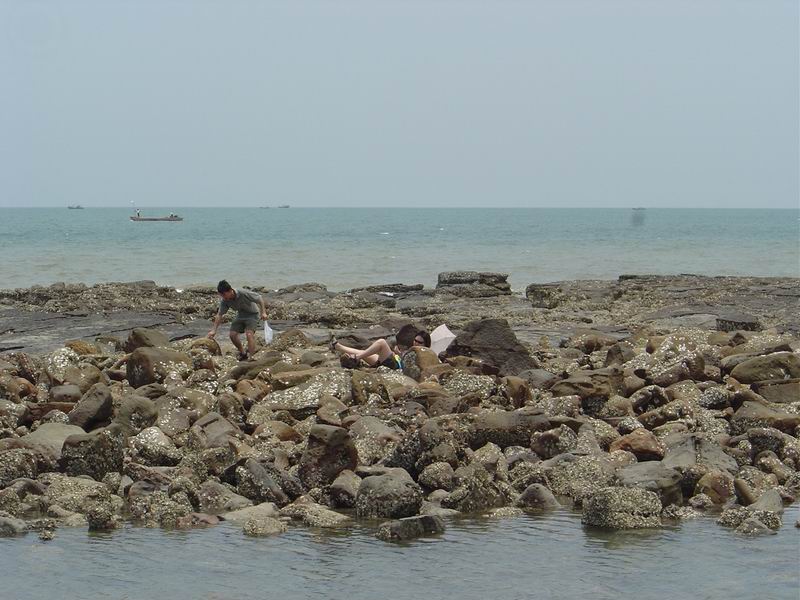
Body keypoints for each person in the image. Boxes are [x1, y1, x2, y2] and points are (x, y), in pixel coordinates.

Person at [207, 280, 268, 360]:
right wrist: (214, 330)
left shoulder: (243, 293)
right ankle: (243, 353)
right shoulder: (225, 300)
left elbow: (259, 298)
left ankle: (251, 357)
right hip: (241, 315)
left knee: (249, 334)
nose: (223, 297)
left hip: (253, 314)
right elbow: (220, 314)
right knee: (232, 335)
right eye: (221, 295)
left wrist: (263, 312)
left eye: (224, 295)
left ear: (230, 290)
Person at [330, 324, 430, 370]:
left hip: (395, 366)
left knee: (382, 342)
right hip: (393, 361)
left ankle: (356, 358)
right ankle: (338, 347)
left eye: (419, 342)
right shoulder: (413, 349)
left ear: (425, 344)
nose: (416, 343)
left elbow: (410, 367)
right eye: (415, 340)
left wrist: (399, 354)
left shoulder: (424, 355)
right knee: (364, 353)